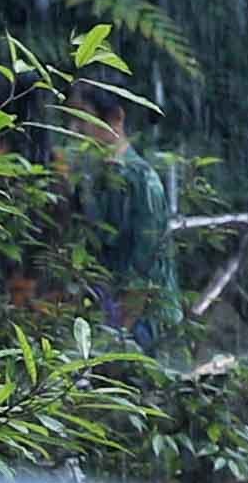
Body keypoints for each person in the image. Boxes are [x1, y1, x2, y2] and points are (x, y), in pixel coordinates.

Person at [48, 69, 183, 348]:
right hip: (105, 321)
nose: (74, 129)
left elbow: (141, 280)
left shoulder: (142, 182)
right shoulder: (90, 180)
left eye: (83, 117)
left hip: (148, 330)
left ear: (115, 119)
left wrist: (112, 343)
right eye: (71, 119)